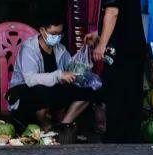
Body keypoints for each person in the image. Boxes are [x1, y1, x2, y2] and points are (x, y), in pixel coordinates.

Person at [6, 8, 95, 142]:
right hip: (24, 93)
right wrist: (59, 75)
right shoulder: (29, 49)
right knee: (40, 91)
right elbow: (31, 80)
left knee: (87, 91)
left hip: (50, 92)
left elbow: (70, 68)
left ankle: (63, 127)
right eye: (54, 33)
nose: (57, 37)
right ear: (42, 31)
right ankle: (46, 126)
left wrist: (86, 52)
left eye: (60, 34)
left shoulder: (60, 48)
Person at [86, 0, 148, 143]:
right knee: (131, 92)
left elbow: (112, 14)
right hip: (134, 49)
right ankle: (130, 136)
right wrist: (98, 35)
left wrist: (101, 45)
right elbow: (122, 18)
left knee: (117, 92)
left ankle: (117, 137)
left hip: (123, 52)